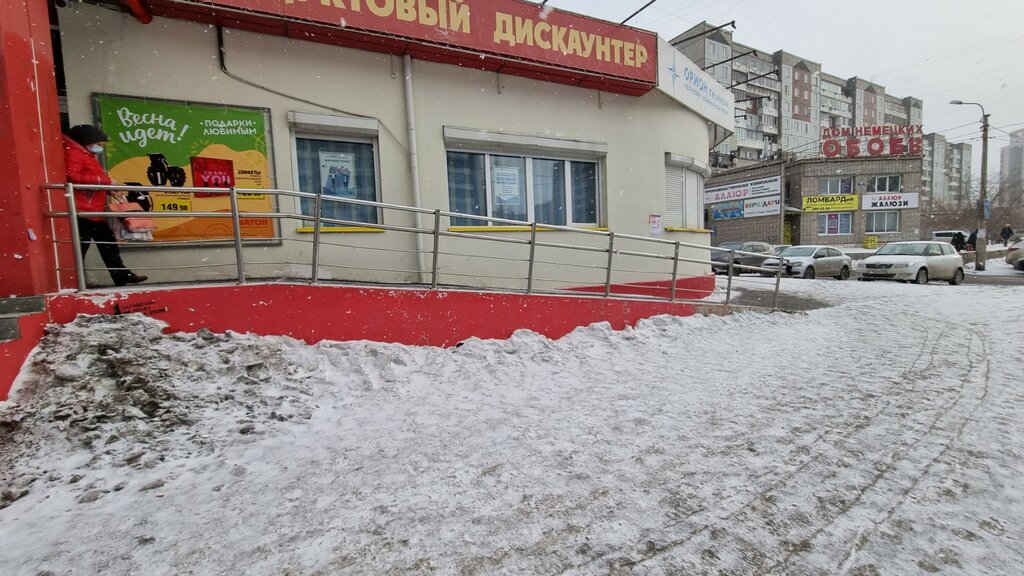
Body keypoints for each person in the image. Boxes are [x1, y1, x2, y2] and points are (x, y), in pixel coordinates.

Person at [63, 124, 147, 287]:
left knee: (105, 242)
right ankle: (75, 279)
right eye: (99, 145)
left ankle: (120, 275)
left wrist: (108, 190)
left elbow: (86, 178)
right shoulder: (74, 153)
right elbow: (72, 176)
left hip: (90, 210)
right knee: (85, 245)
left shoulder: (84, 154)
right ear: (87, 141)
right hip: (82, 210)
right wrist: (107, 182)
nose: (99, 148)